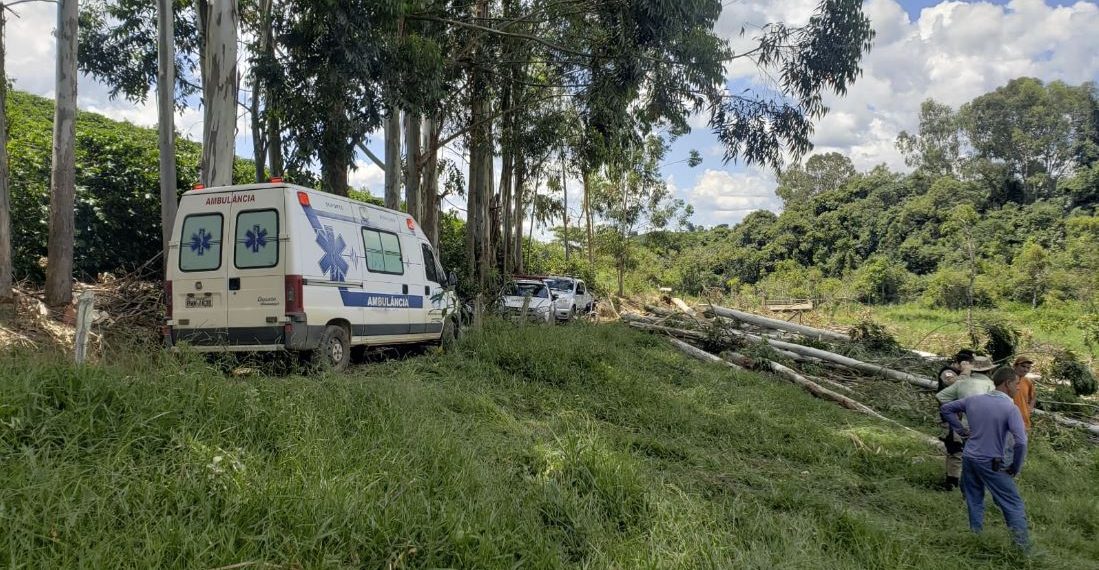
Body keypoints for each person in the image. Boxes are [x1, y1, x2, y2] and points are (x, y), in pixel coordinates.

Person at [940, 367, 1030, 549]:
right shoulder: (1010, 408)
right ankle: (1022, 549)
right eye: (1016, 384)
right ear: (1007, 383)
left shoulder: (974, 400)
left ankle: (976, 536)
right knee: (1013, 504)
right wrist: (1016, 466)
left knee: (974, 499)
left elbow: (946, 408)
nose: (1018, 387)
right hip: (993, 461)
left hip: (970, 457)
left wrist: (961, 430)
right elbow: (1021, 442)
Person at [935, 354, 996, 490]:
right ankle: (973, 485)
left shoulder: (962, 383)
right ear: (990, 371)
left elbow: (941, 396)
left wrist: (956, 409)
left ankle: (954, 482)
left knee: (957, 452)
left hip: (962, 424)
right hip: (982, 426)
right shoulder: (990, 386)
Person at [1011, 356, 1037, 430]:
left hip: (1024, 420)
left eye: (1028, 368)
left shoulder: (1027, 381)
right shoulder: (1007, 380)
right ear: (1015, 366)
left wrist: (1029, 410)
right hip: (1009, 419)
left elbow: (1033, 397)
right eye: (1023, 366)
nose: (1025, 370)